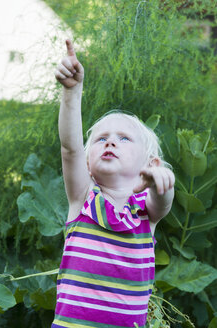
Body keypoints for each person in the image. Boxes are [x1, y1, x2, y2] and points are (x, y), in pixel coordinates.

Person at [51, 40, 175, 328]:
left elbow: (163, 203)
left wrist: (161, 185)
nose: (110, 141)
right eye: (101, 138)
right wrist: (71, 92)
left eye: (124, 138)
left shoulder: (146, 212)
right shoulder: (83, 200)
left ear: (150, 164)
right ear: (86, 163)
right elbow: (70, 148)